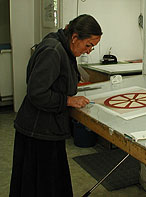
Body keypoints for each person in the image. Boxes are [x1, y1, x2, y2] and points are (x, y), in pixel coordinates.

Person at [9, 14, 102, 197]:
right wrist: (68, 100)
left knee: (50, 183)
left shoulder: (64, 47)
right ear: (75, 37)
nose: (89, 51)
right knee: (40, 186)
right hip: (38, 132)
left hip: (47, 129)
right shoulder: (53, 50)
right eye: (88, 45)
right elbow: (37, 92)